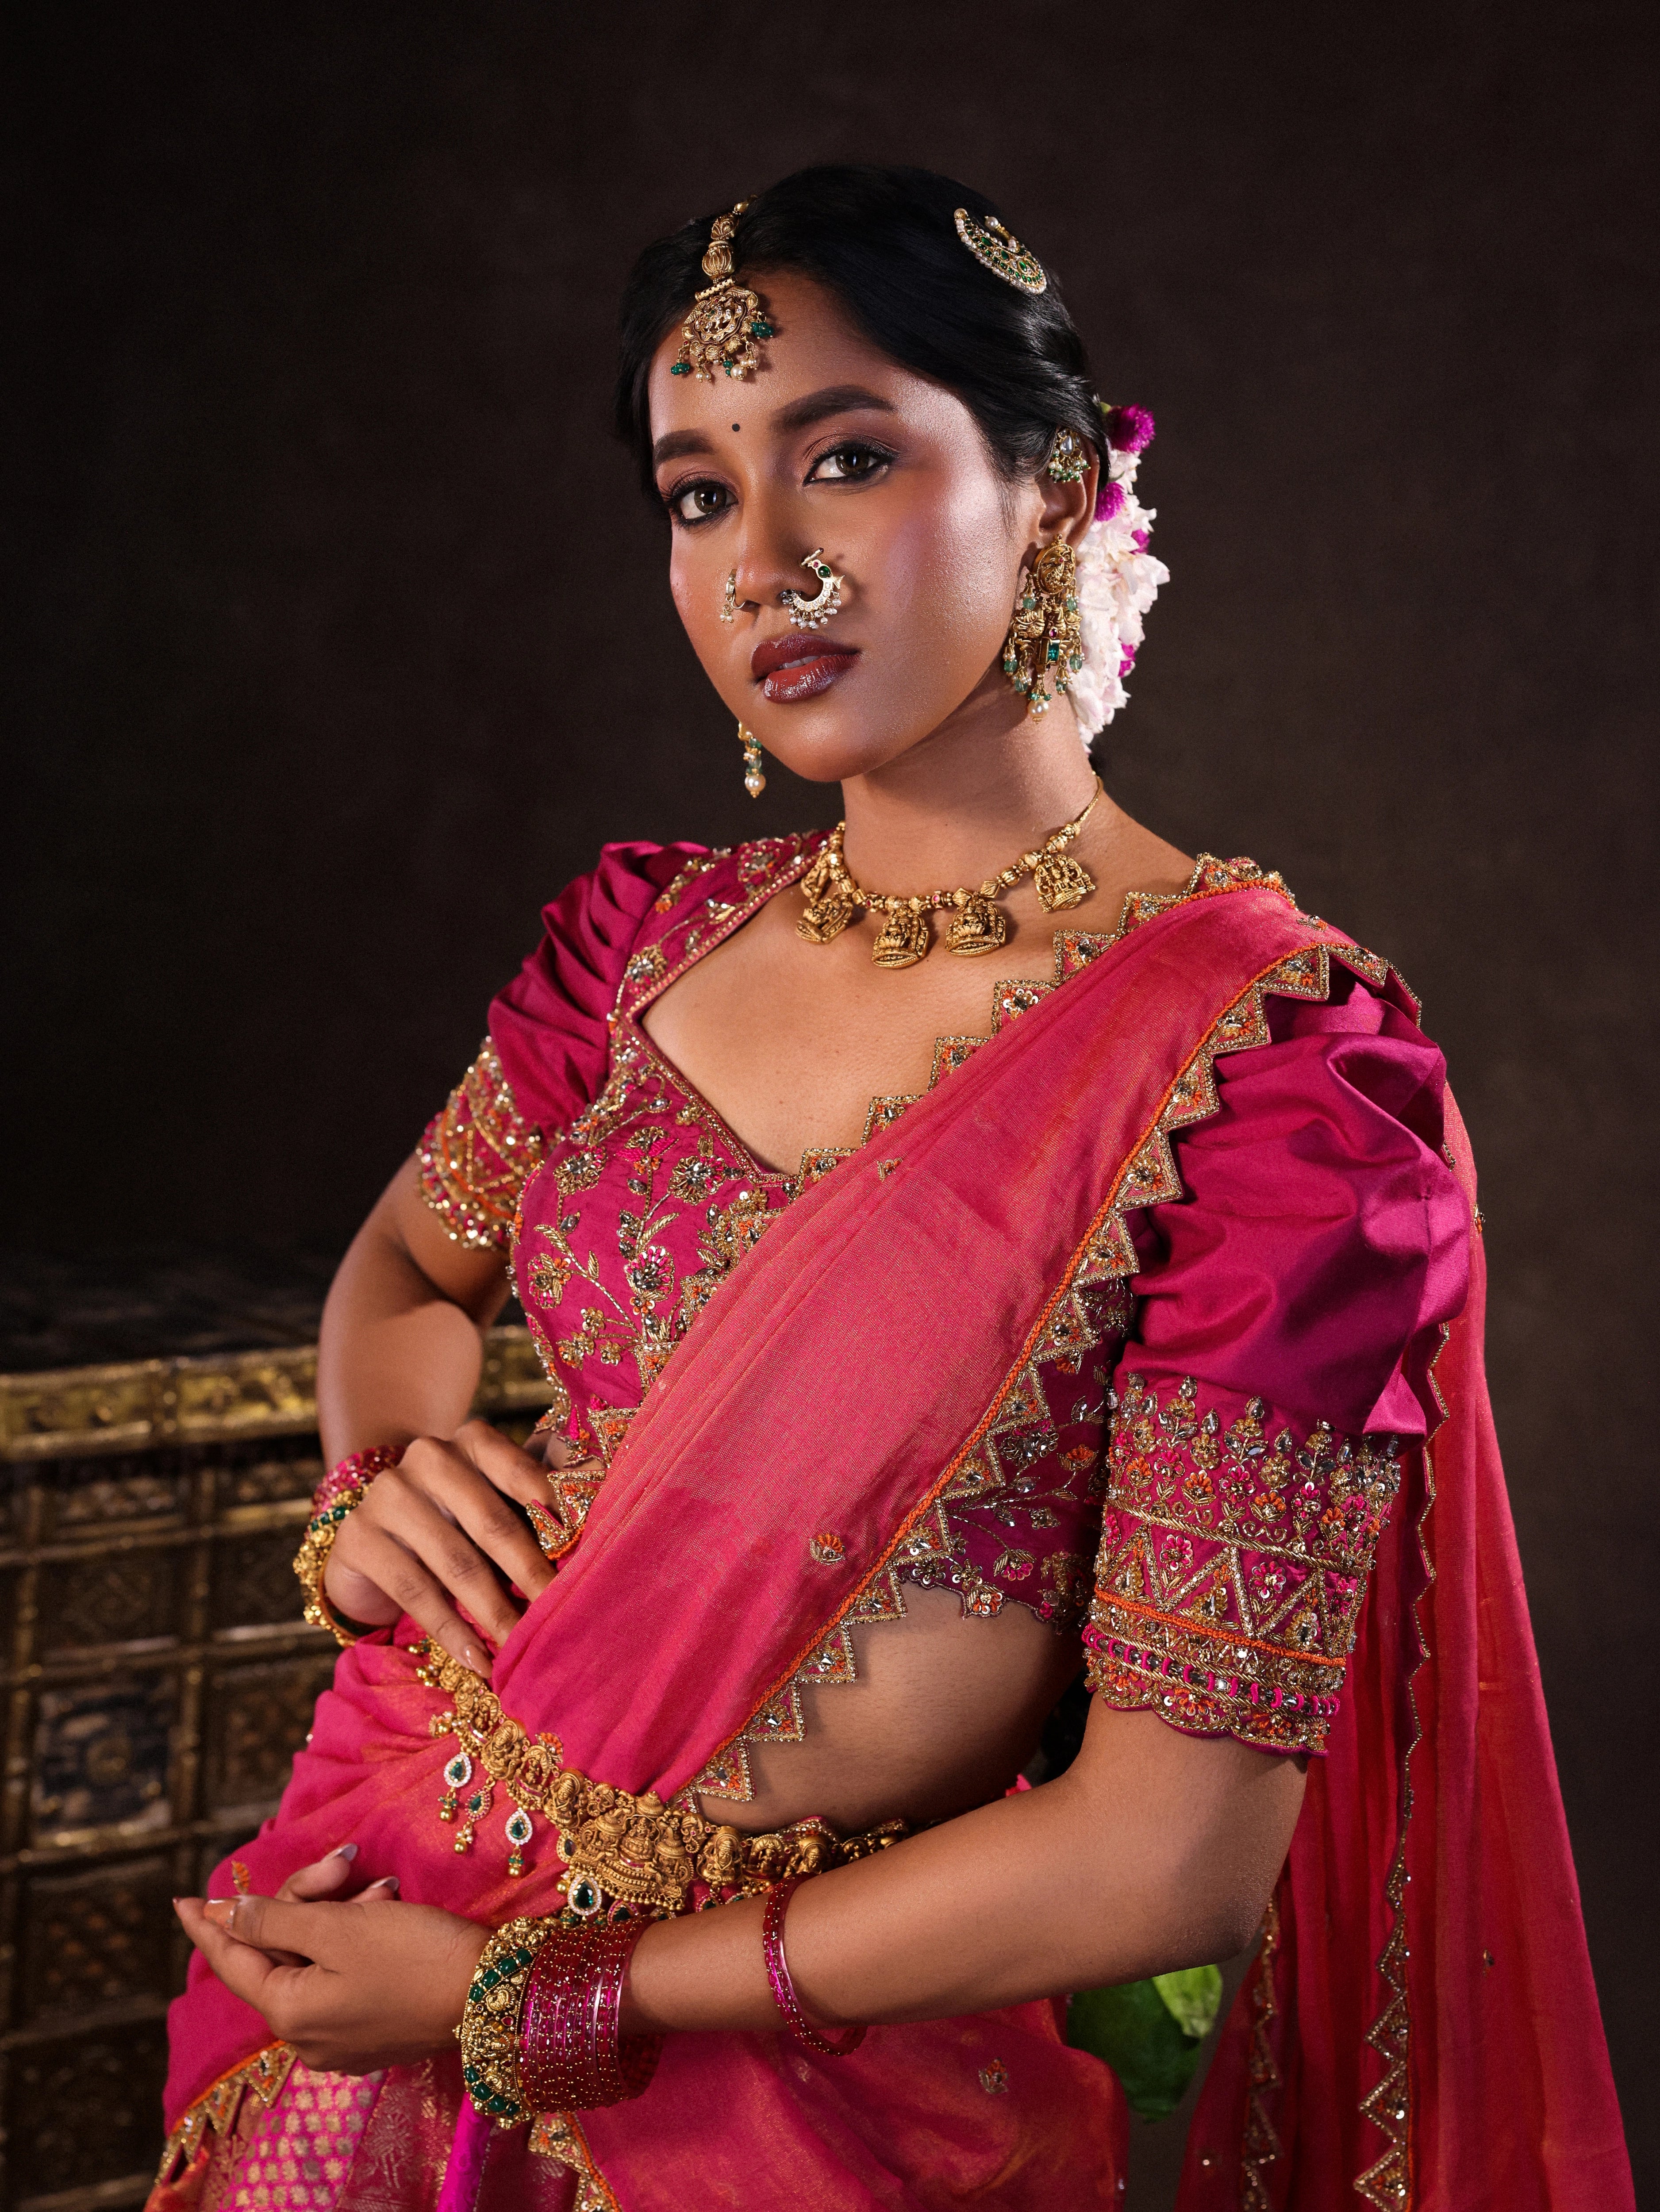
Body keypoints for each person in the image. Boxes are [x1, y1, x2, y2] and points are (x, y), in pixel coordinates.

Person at [153, 165, 1631, 2212]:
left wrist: (529, 1995)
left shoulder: (1271, 1085)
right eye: (695, 494)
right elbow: (406, 1266)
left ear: (1052, 488)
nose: (763, 562)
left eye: (843, 458)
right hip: (361, 1910)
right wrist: (376, 1474)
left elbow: (1163, 1854)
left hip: (788, 2075)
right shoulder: (637, 945)